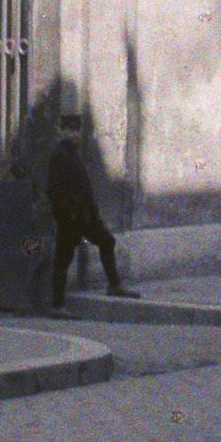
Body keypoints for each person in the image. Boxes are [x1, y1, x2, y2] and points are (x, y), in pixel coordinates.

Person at [45, 114, 139, 313]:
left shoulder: (74, 154)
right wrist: (68, 212)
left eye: (76, 130)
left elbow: (84, 189)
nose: (74, 134)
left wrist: (92, 213)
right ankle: (57, 305)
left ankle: (114, 285)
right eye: (69, 130)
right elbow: (54, 190)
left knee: (107, 241)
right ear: (62, 132)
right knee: (63, 257)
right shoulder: (59, 155)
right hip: (70, 217)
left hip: (85, 215)